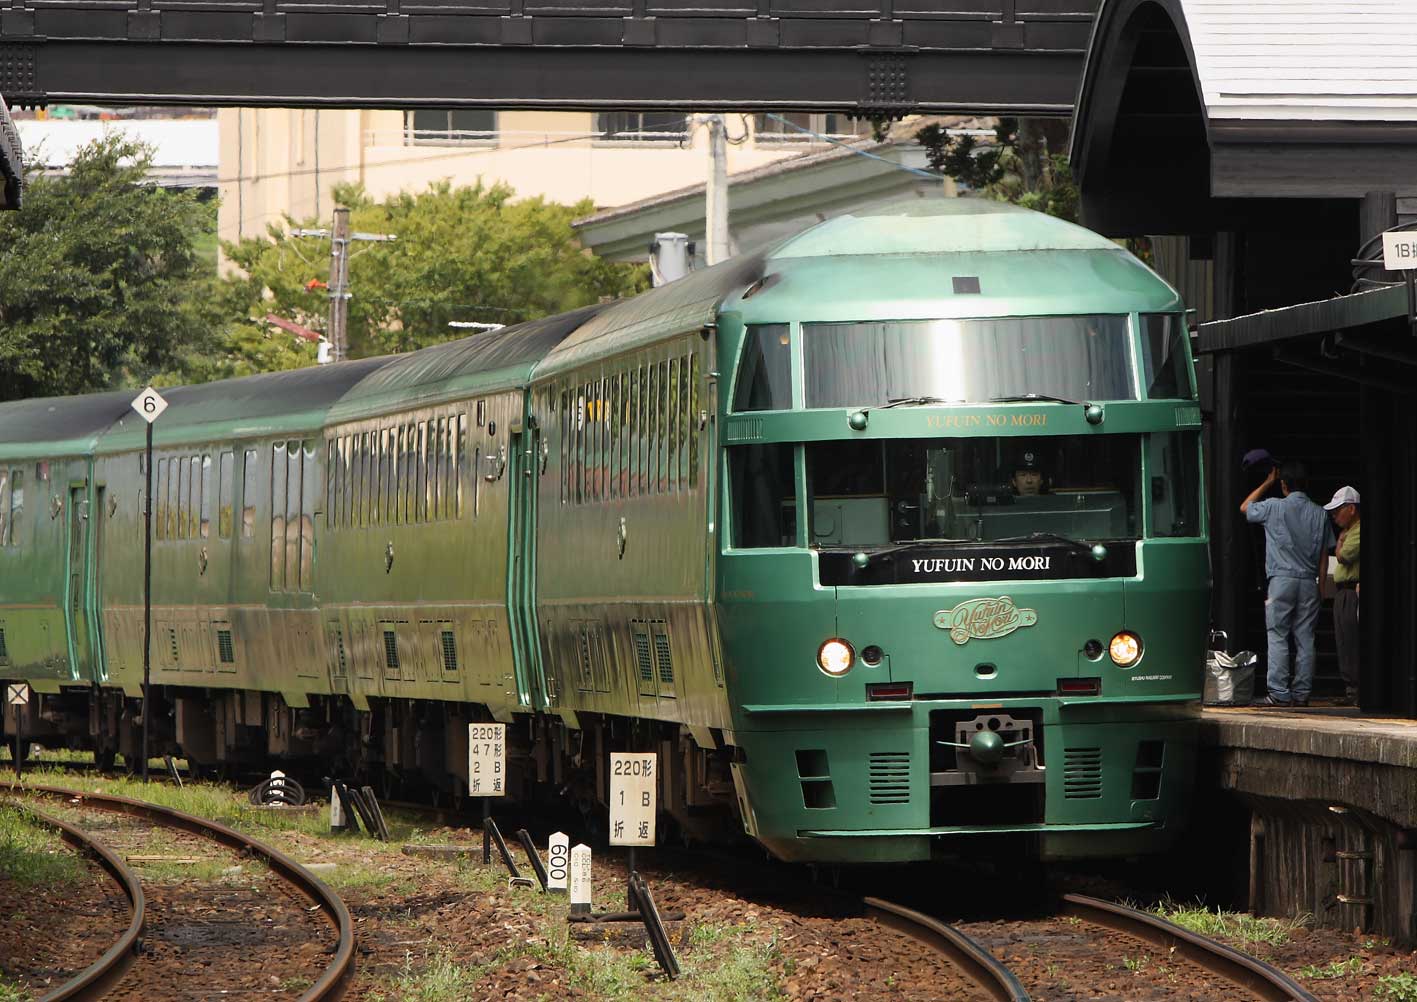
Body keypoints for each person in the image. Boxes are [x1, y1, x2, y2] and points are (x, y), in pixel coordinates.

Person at [1240, 460, 1335, 707]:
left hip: (1281, 581)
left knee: (1278, 634)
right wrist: (1321, 585)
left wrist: (1266, 482)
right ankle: (1302, 693)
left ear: (1284, 485)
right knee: (1306, 638)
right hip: (1309, 581)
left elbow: (1245, 507)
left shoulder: (1274, 507)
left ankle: (1279, 693)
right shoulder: (1321, 513)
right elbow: (1325, 554)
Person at [1323, 486, 1361, 705]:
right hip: (1342, 592)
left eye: (1338, 510)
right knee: (1343, 641)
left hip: (1351, 591)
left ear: (1351, 509)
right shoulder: (1349, 531)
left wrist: (1339, 544)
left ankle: (1356, 690)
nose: (1334, 515)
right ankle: (1351, 690)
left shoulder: (1357, 531)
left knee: (1351, 639)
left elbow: (1345, 556)